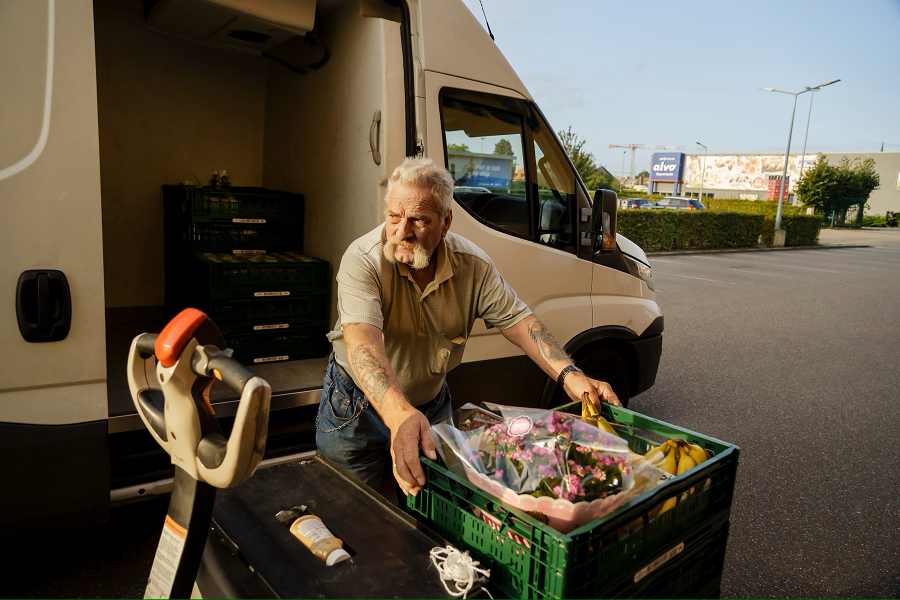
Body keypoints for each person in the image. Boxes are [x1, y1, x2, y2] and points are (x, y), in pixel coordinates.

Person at [315, 157, 620, 496]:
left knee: (433, 511)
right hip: (356, 409)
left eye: (418, 220)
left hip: (429, 406)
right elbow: (363, 345)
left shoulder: (472, 265)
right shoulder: (363, 259)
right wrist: (399, 414)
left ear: (446, 222)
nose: (402, 232)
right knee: (354, 510)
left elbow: (520, 323)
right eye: (394, 217)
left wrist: (571, 374)